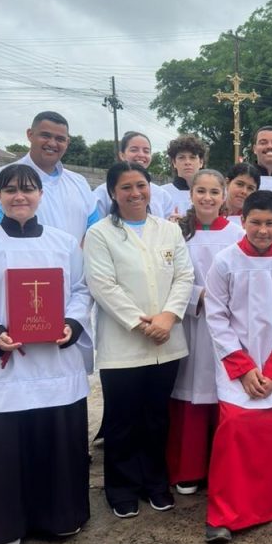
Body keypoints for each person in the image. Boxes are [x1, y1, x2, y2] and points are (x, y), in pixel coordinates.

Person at [0, 164, 92, 544]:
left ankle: (59, 516)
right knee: (3, 450)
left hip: (54, 363)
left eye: (27, 189)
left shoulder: (64, 243)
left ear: (41, 194)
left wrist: (71, 323)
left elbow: (81, 290)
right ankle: (3, 525)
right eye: (10, 190)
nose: (19, 196)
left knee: (54, 443)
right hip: (1, 366)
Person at [84, 162, 194, 518]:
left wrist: (169, 317)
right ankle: (122, 488)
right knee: (122, 421)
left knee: (157, 418)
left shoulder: (169, 230)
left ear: (150, 188)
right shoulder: (100, 234)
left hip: (167, 343)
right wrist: (141, 323)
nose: (135, 193)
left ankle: (155, 484)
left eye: (141, 185)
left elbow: (184, 276)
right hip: (123, 346)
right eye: (126, 187)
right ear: (112, 193)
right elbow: (102, 285)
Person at [204, 190, 272, 544]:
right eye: (255, 222)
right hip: (236, 366)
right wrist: (244, 368)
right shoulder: (225, 261)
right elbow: (216, 316)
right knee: (234, 432)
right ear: (242, 221)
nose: (262, 230)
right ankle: (222, 515)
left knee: (269, 436)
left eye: (269, 223)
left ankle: (261, 508)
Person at [166, 169, 242, 495]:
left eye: (214, 192)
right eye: (201, 191)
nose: (207, 198)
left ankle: (220, 466)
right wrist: (198, 296)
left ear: (224, 196)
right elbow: (166, 277)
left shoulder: (238, 233)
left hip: (228, 325)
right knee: (189, 390)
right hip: (190, 322)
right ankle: (189, 467)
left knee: (223, 391)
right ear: (191, 194)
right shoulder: (174, 233)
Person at [0, 111, 99, 242]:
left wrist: (72, 252)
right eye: (45, 135)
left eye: (60, 139)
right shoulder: (2, 177)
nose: (52, 143)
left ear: (67, 142)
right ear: (30, 134)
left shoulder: (79, 182)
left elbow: (94, 233)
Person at [93, 131, 175, 219]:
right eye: (134, 150)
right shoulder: (103, 193)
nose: (141, 154)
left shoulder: (162, 195)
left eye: (146, 151)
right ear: (122, 155)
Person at [162, 134, 207, 214]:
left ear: (201, 162)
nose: (187, 162)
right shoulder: (162, 193)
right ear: (174, 162)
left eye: (192, 157)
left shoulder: (211, 194)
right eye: (181, 158)